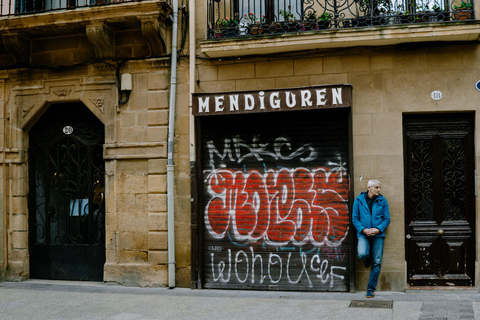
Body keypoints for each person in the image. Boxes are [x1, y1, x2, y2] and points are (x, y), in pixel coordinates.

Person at [352, 179, 390, 298]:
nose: (379, 190)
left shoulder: (382, 201)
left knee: (377, 262)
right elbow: (355, 218)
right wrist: (363, 230)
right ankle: (367, 257)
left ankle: (370, 289)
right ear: (369, 188)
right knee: (362, 254)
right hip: (363, 234)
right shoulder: (358, 201)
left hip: (378, 235)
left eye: (379, 187)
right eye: (377, 187)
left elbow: (386, 219)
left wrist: (378, 229)